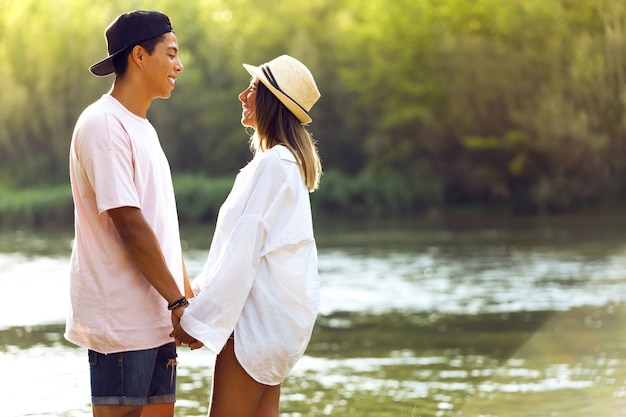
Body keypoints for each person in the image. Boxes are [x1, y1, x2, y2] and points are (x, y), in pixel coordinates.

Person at [170, 55, 322, 416]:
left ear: (271, 101)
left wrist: (194, 321)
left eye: (253, 88)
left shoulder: (274, 165)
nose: (242, 96)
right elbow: (234, 253)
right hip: (274, 326)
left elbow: (243, 254)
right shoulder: (279, 164)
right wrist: (197, 300)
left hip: (255, 327)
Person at [65, 10, 192, 417]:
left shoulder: (143, 128)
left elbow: (160, 226)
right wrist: (177, 301)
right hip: (121, 326)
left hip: (156, 318)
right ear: (139, 55)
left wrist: (188, 300)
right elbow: (131, 226)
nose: (179, 65)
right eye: (170, 54)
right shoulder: (103, 125)